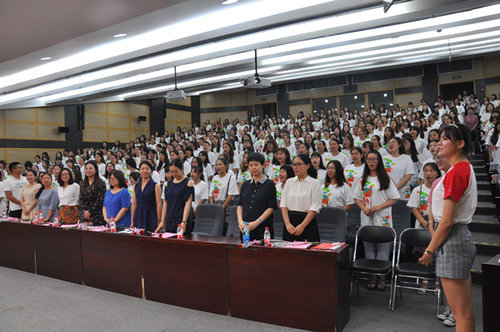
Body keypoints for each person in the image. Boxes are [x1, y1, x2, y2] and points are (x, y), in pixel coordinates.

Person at [419, 124, 477, 332]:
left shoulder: (458, 170)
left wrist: (429, 250)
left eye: (445, 139)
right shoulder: (460, 168)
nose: (439, 142)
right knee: (464, 313)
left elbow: (447, 221)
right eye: (439, 138)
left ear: (460, 144)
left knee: (461, 315)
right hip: (457, 239)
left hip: (453, 240)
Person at [353, 150, 400, 290]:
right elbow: (357, 197)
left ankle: (382, 278)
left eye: (374, 159)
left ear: (379, 161)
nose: (371, 162)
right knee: (369, 246)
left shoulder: (386, 179)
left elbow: (394, 198)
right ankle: (372, 277)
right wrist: (364, 208)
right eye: (369, 159)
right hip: (367, 215)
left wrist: (379, 207)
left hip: (383, 216)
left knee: (382, 247)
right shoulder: (363, 179)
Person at [280, 154, 321, 242]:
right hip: (290, 224)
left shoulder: (314, 183)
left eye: (298, 164)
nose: (295, 167)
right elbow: (283, 204)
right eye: (294, 164)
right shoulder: (289, 182)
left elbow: (314, 207)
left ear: (307, 166)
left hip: (307, 223)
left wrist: (302, 226)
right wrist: (287, 224)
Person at [237, 152, 277, 240]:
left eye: (256, 165)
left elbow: (271, 208)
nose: (253, 168)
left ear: (263, 165)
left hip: (263, 229)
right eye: (251, 165)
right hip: (246, 228)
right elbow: (240, 205)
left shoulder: (269, 184)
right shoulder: (246, 184)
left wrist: (256, 223)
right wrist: (240, 221)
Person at [156, 159, 194, 233]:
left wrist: (184, 221)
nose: (174, 174)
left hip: (181, 218)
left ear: (182, 169)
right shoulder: (167, 184)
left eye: (176, 171)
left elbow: (188, 204)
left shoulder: (188, 183)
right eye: (171, 172)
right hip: (170, 218)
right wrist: (162, 221)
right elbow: (165, 203)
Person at [131, 161, 161, 232]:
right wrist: (132, 220)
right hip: (138, 214)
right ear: (139, 170)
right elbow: (134, 204)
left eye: (147, 169)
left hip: (151, 214)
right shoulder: (136, 186)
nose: (145, 171)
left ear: (151, 171)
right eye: (143, 169)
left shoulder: (155, 186)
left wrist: (159, 220)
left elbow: (159, 204)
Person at [80, 161, 106, 226]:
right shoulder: (82, 183)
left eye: (90, 168)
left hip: (97, 213)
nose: (88, 170)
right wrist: (85, 211)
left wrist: (90, 212)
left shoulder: (101, 183)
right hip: (85, 215)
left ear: (95, 170)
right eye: (86, 168)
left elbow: (100, 200)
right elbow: (81, 199)